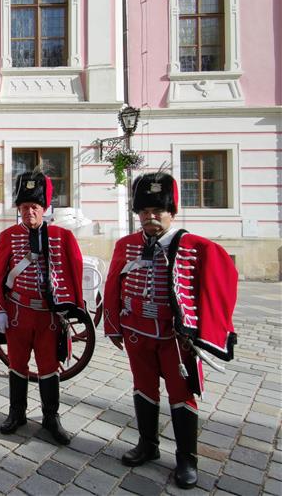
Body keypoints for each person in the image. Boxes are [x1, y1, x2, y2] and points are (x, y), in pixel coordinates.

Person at [104, 172, 238, 489]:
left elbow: (218, 290)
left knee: (182, 395)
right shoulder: (126, 245)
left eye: (157, 211)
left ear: (171, 212)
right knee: (143, 389)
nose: (150, 217)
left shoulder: (195, 247)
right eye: (144, 211)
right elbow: (114, 286)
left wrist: (201, 334)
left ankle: (186, 459)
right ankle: (147, 445)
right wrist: (113, 325)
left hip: (174, 340)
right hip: (137, 333)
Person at [0, 171, 84, 445]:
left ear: (44, 208)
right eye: (24, 207)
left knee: (48, 367)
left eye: (34, 207)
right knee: (17, 365)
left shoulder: (62, 236)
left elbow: (74, 270)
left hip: (48, 317)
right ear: (18, 209)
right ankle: (16, 413)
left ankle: (50, 417)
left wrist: (74, 307)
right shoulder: (9, 236)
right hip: (18, 313)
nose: (29, 212)